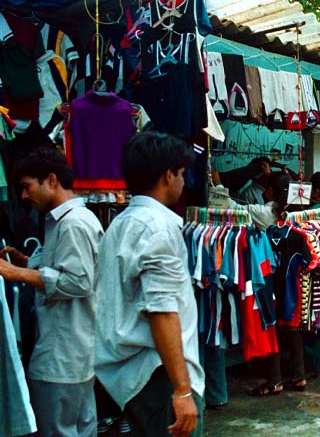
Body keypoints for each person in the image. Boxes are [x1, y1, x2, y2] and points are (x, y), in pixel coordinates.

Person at [95, 132, 204, 437]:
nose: (183, 183)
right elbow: (162, 311)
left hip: (131, 379)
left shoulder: (120, 223)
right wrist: (182, 390)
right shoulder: (158, 228)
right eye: (181, 174)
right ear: (168, 176)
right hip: (157, 378)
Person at [0, 147, 103, 436]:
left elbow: (77, 281)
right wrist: (28, 263)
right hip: (74, 351)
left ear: (52, 180)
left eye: (26, 186)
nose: (23, 196)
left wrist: (17, 273)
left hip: (64, 353)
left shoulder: (73, 224)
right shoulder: (69, 221)